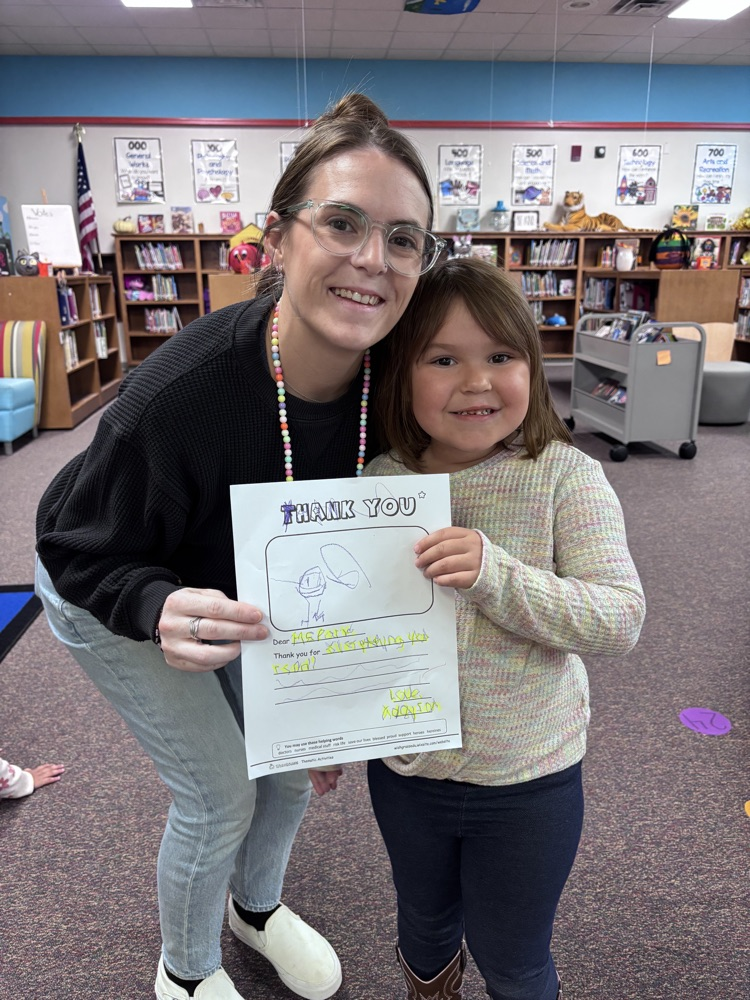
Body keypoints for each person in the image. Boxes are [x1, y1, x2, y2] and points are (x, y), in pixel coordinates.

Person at [35, 93, 444, 1000]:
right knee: (219, 794)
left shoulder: (399, 370)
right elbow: (71, 542)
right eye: (342, 222)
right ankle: (185, 973)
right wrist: (148, 605)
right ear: (278, 240)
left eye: (405, 239)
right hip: (109, 572)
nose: (373, 260)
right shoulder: (182, 393)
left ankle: (254, 910)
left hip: (238, 577)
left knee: (291, 771)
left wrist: (341, 689)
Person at [363, 257, 646, 1000]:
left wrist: (496, 574)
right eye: (443, 358)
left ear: (531, 362)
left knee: (514, 954)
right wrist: (323, 725)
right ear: (402, 369)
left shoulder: (563, 475)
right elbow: (351, 631)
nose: (476, 381)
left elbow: (620, 618)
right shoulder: (378, 483)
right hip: (407, 774)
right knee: (423, 926)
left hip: (529, 778)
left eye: (500, 356)